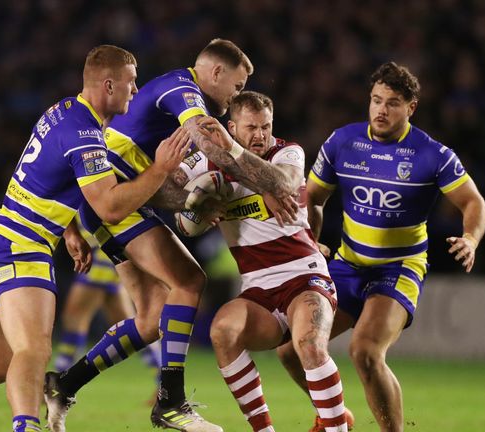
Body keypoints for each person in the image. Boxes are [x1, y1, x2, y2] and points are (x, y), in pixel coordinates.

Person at [0, 44, 192, 432]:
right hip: (22, 247)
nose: (136, 92)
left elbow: (47, 174)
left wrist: (69, 228)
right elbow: (110, 207)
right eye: (131, 83)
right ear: (108, 84)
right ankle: (26, 426)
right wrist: (159, 169)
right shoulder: (84, 131)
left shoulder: (63, 112)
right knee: (33, 350)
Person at [44, 39, 299, 432]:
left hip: (121, 201)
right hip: (117, 198)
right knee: (190, 280)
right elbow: (212, 145)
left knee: (150, 320)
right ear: (215, 73)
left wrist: (196, 202)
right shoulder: (184, 90)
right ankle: (171, 402)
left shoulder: (176, 102)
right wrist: (272, 182)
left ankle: (63, 385)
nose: (234, 98)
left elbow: (175, 184)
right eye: (236, 86)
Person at [276, 62, 485, 432]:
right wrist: (310, 242)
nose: (381, 110)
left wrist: (470, 238)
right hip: (347, 265)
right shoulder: (342, 142)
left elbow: (473, 203)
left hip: (398, 269)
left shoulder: (431, 154)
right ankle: (335, 414)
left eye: (392, 103)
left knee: (365, 352)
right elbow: (311, 198)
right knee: (290, 348)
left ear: (411, 108)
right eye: (376, 100)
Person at [177, 91, 350, 432]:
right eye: (251, 127)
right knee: (223, 331)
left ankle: (337, 427)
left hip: (304, 276)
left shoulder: (287, 152)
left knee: (309, 346)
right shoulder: (205, 163)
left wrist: (234, 156)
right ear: (231, 126)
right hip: (258, 288)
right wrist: (196, 200)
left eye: (266, 127)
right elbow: (179, 212)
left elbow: (282, 180)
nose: (260, 135)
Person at [52, 225, 161, 387]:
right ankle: (164, 379)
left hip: (100, 255)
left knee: (75, 317)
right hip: (105, 252)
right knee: (138, 325)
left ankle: (58, 382)